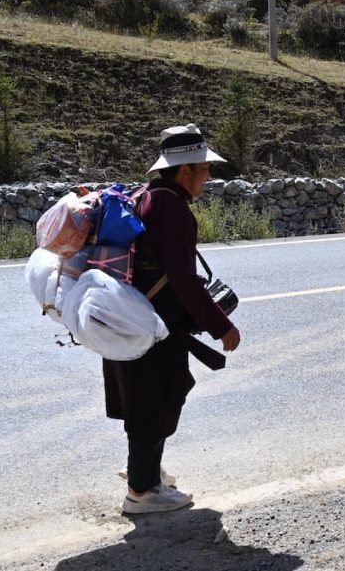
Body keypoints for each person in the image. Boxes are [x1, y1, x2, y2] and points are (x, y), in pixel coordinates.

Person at [103, 123, 241, 514]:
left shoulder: (148, 196)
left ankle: (147, 473)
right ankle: (142, 492)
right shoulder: (172, 208)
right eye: (204, 168)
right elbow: (182, 278)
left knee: (147, 399)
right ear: (185, 171)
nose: (208, 176)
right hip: (154, 327)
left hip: (130, 316)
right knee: (155, 402)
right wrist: (221, 326)